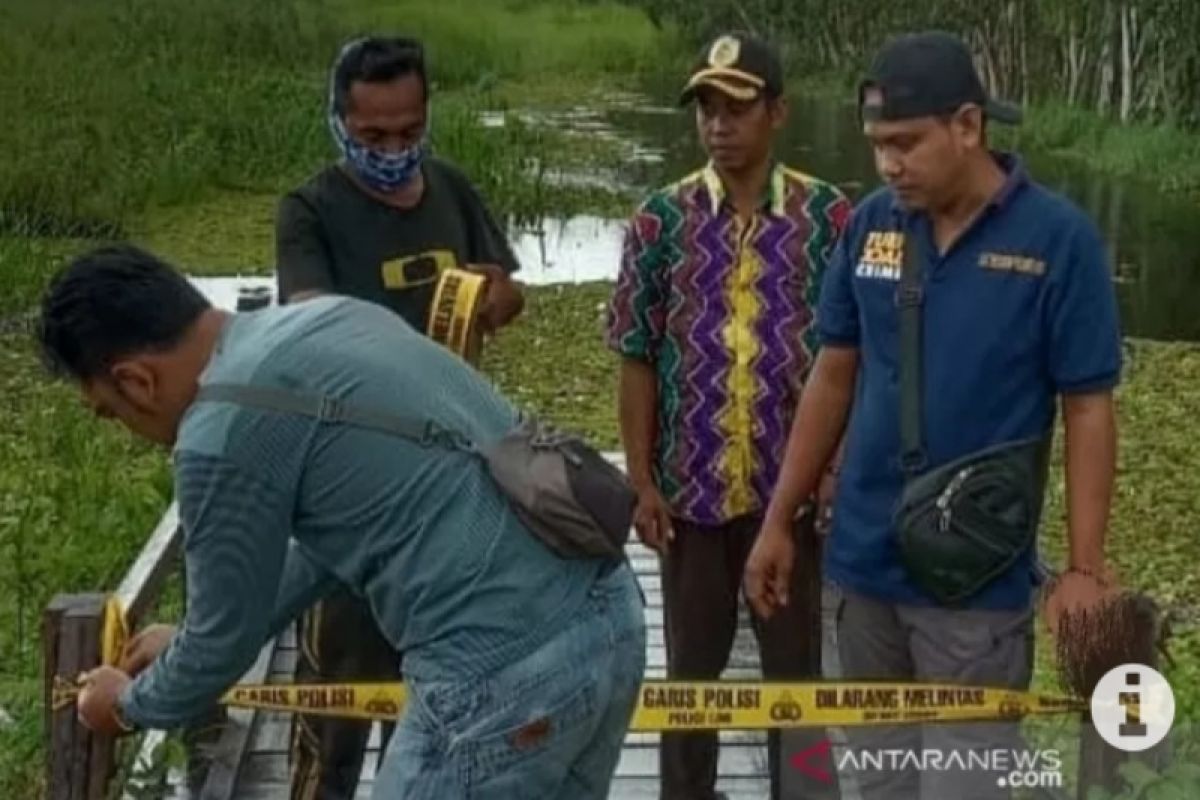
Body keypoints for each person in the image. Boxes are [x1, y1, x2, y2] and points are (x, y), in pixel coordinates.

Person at [52, 244, 645, 800]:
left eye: (110, 412)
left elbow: (219, 642)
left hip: (502, 676)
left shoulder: (218, 430)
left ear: (135, 380)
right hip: (608, 619)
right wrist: (185, 642)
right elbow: (320, 549)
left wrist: (127, 704)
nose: (124, 427)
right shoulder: (325, 319)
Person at [746, 31, 1122, 799]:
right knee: (880, 784)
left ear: (969, 126)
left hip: (974, 585)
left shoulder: (1058, 242)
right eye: (880, 145)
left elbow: (1088, 408)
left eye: (907, 144)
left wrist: (1084, 569)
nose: (889, 165)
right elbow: (833, 374)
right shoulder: (872, 226)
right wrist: (779, 518)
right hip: (862, 570)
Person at [274, 35, 525, 799]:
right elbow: (312, 324)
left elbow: (510, 292)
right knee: (335, 712)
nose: (394, 149)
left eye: (409, 131)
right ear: (339, 123)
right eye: (373, 136)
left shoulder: (450, 190)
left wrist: (490, 294)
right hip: (349, 503)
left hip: (452, 496)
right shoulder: (310, 211)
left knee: (441, 709)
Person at [605, 31, 850, 800]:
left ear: (777, 112)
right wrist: (640, 482)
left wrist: (837, 470)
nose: (718, 124)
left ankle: (803, 795)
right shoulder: (659, 222)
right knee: (690, 684)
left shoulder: (831, 220)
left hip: (794, 498)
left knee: (798, 685)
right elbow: (636, 356)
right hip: (691, 499)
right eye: (706, 107)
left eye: (736, 107)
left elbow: (858, 360)